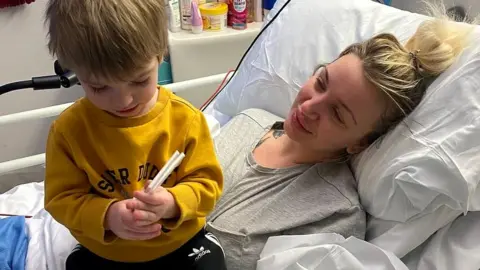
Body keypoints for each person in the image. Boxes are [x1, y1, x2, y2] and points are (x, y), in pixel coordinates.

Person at [206, 6, 474, 270]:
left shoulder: (334, 214)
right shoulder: (248, 119)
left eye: (337, 113)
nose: (309, 107)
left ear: (360, 142)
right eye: (321, 82)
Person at [43, 1, 226, 269]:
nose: (124, 101)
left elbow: (209, 185)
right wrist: (107, 216)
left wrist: (173, 202)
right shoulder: (68, 132)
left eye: (140, 81)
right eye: (98, 87)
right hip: (105, 249)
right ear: (74, 74)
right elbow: (60, 200)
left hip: (179, 242)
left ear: (160, 54)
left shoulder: (185, 120)